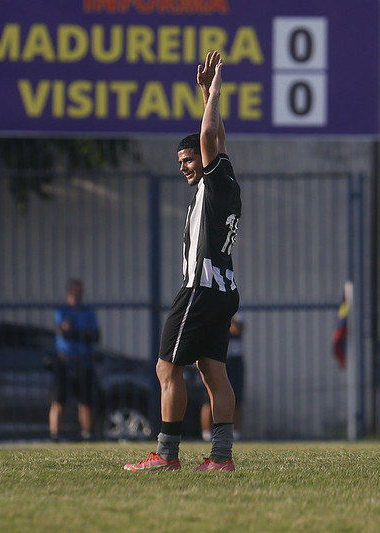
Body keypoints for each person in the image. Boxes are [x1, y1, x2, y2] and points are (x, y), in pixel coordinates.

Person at [125, 50, 241, 472]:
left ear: (204, 159)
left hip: (200, 289)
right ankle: (221, 459)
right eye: (181, 162)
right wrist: (207, 97)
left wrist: (213, 93)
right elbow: (218, 140)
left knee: (165, 366)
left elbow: (209, 137)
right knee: (213, 373)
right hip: (223, 291)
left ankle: (167, 455)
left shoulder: (215, 180)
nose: (185, 167)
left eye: (188, 160)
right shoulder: (225, 179)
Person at [50, 278, 100, 441]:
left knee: (85, 400)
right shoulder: (62, 311)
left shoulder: (88, 312)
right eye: (73, 292)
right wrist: (82, 333)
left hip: (84, 362)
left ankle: (87, 433)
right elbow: (64, 332)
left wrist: (75, 332)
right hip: (64, 362)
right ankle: (55, 434)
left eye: (79, 292)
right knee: (59, 399)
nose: (77, 295)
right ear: (68, 293)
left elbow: (95, 336)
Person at [201, 312, 245, 442]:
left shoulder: (237, 311)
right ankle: (207, 434)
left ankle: (235, 433)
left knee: (236, 396)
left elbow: (236, 329)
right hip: (214, 356)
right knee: (208, 398)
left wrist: (226, 316)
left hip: (233, 360)